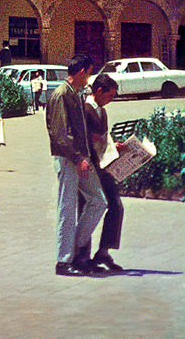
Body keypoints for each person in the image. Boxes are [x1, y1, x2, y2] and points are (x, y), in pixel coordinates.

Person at [46, 54, 107, 276]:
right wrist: (78, 157)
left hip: (81, 159)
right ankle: (63, 262)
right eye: (89, 73)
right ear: (81, 72)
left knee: (98, 201)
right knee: (67, 209)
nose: (89, 78)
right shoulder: (61, 95)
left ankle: (75, 247)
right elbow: (60, 135)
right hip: (69, 159)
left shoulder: (76, 94)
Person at [84, 74, 125, 271]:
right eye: (109, 95)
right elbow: (84, 139)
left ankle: (104, 251)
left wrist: (113, 145)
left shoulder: (102, 111)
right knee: (89, 209)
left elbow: (103, 138)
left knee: (116, 205)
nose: (110, 100)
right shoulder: (85, 109)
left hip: (104, 164)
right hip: (90, 166)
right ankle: (82, 255)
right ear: (99, 91)